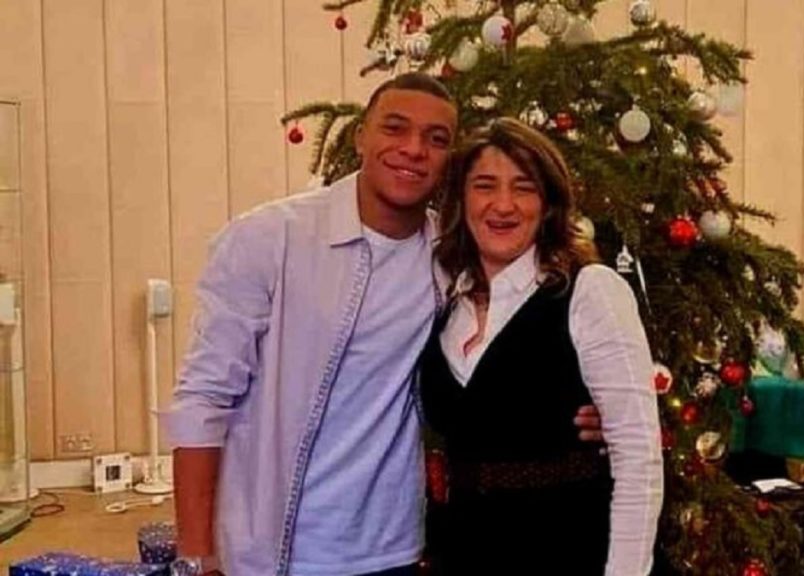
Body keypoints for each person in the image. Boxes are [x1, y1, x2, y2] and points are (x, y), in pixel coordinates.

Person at [163, 74, 602, 576]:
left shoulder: (453, 258)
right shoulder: (268, 240)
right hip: (270, 550)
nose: (413, 149)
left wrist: (601, 412)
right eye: (395, 128)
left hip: (394, 549)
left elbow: (519, 344)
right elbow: (203, 398)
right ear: (360, 137)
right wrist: (197, 557)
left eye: (436, 139)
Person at [419, 118, 664, 575]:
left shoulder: (589, 291)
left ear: (548, 203)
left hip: (568, 549)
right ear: (461, 199)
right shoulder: (445, 300)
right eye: (485, 186)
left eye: (524, 187)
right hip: (463, 552)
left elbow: (637, 457)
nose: (503, 205)